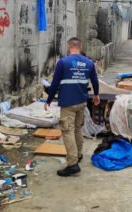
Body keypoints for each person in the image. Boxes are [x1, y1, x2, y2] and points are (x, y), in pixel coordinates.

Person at [44, 38, 100, 177]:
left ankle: (72, 164)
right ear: (80, 47)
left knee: (67, 131)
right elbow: (94, 80)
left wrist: (49, 100)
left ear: (69, 47)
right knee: (77, 129)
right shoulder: (89, 62)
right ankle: (78, 154)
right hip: (82, 101)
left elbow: (55, 83)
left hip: (68, 103)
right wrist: (96, 95)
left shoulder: (63, 62)